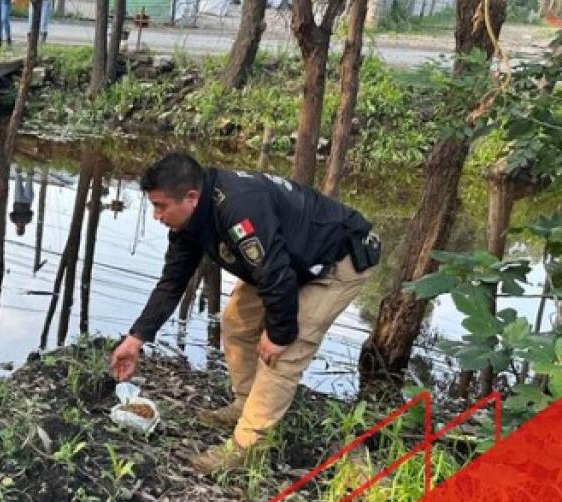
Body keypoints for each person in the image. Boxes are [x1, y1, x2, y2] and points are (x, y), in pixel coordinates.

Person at [109, 152, 382, 474]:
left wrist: (279, 334)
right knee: (237, 323)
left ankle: (244, 449)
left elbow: (276, 275)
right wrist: (136, 338)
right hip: (284, 260)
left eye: (161, 206)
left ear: (191, 197)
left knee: (284, 353)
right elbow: (172, 281)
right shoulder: (190, 221)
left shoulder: (238, 208)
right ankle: (246, 403)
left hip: (337, 259)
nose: (156, 215)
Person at [10, 168, 34, 236]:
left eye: (19, 229)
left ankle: (19, 167)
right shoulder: (27, 221)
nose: (20, 227)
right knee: (29, 181)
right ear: (24, 229)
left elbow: (11, 214)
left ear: (16, 228)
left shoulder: (14, 220)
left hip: (18, 200)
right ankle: (30, 166)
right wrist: (23, 221)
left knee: (18, 182)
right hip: (27, 201)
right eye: (22, 229)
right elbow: (31, 212)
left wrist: (17, 221)